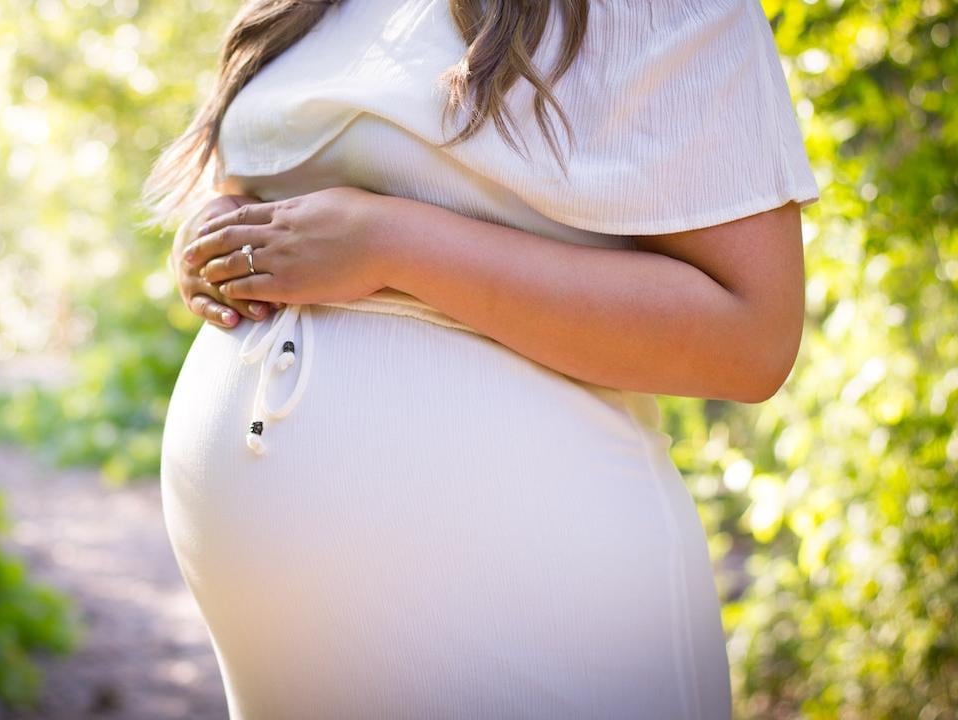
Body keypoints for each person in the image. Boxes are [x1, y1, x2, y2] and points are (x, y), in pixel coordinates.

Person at [145, 0, 819, 717]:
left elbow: (751, 338)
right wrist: (219, 238)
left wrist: (392, 245)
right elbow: (273, 189)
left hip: (544, 610)